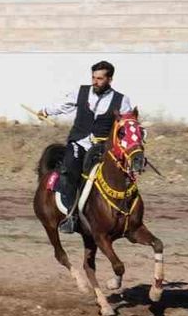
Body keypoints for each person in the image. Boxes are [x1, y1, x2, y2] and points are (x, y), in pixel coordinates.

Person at [36, 60, 136, 234]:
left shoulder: (122, 100)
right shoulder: (80, 92)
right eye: (93, 77)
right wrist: (46, 111)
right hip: (78, 143)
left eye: (100, 78)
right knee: (72, 172)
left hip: (102, 148)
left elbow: (126, 125)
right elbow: (63, 105)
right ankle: (72, 217)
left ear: (110, 79)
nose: (95, 81)